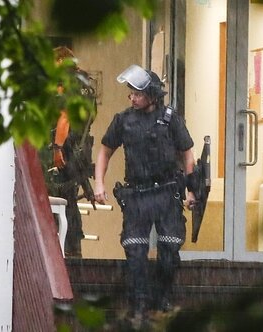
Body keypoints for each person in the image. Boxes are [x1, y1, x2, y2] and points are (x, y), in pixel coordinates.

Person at [94, 64, 196, 322]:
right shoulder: (123, 120)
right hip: (137, 195)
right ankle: (139, 303)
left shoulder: (171, 119)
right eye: (130, 94)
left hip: (167, 192)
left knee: (169, 251)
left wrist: (192, 190)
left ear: (151, 95)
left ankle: (162, 298)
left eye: (137, 94)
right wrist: (99, 183)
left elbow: (187, 154)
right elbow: (105, 151)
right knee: (135, 253)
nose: (132, 98)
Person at [40, 46, 96, 258]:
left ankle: (64, 250)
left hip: (65, 149)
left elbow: (65, 117)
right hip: (80, 151)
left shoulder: (68, 83)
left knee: (57, 196)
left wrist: (57, 148)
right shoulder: (86, 85)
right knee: (69, 198)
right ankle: (74, 250)